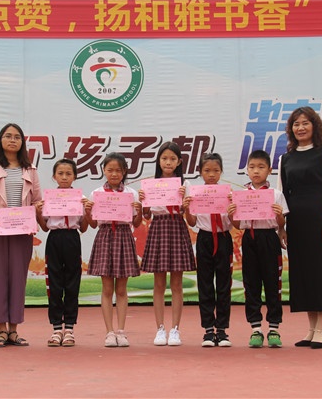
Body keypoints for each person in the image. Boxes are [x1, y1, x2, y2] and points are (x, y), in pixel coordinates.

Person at [277, 106, 322, 349]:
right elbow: (282, 196)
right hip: (296, 223)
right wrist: (281, 227)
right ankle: (311, 329)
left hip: (320, 221)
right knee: (304, 274)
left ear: (315, 126)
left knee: (321, 273)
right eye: (296, 124)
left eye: (305, 123)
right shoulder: (286, 158)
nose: (301, 128)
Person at [0, 123, 42, 348]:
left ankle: (14, 330)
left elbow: (37, 200)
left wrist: (38, 209)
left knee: (18, 278)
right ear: (0, 140)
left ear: (22, 142)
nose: (12, 140)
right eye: (8, 136)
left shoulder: (30, 170)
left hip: (22, 231)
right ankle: (1, 330)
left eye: (17, 137)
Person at [138, 142, 196, 346]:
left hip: (177, 227)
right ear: (158, 161)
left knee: (177, 284)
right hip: (158, 227)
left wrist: (186, 205)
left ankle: (175, 329)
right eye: (164, 158)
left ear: (179, 161)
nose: (168, 162)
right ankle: (160, 329)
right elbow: (146, 215)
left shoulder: (185, 185)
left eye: (172, 159)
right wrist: (143, 202)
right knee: (159, 284)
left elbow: (191, 219)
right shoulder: (150, 184)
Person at [230, 150, 288, 348]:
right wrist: (231, 215)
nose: (256, 171)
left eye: (261, 167)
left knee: (273, 284)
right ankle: (255, 329)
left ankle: (274, 328)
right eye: (252, 167)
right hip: (250, 239)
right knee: (251, 284)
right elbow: (238, 225)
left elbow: (281, 224)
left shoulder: (276, 194)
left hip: (269, 239)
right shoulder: (241, 195)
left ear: (269, 170)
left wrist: (279, 215)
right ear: (247, 170)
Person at [84, 152, 143, 347]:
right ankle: (109, 332)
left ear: (124, 171)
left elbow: (136, 222)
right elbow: (93, 224)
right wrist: (88, 211)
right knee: (107, 288)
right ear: (103, 170)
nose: (114, 174)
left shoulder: (132, 193)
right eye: (110, 170)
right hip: (105, 236)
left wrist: (139, 210)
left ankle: (122, 331)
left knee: (122, 289)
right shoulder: (96, 193)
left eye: (118, 170)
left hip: (125, 236)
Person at [183, 153, 235, 347]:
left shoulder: (228, 193)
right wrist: (187, 209)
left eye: (216, 170)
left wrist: (233, 207)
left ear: (221, 172)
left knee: (223, 284)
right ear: (200, 172)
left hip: (223, 238)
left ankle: (222, 330)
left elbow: (235, 222)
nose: (211, 174)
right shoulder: (196, 194)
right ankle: (208, 330)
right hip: (204, 238)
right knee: (205, 284)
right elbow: (192, 222)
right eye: (207, 170)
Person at [35, 158, 88, 347]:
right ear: (54, 176)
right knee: (54, 284)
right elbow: (44, 228)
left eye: (68, 174)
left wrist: (87, 210)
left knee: (72, 283)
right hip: (55, 239)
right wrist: (38, 212)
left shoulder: (80, 198)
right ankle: (57, 328)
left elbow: (84, 228)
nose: (64, 177)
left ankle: (70, 329)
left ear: (75, 176)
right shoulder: (48, 199)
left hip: (72, 238)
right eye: (60, 173)